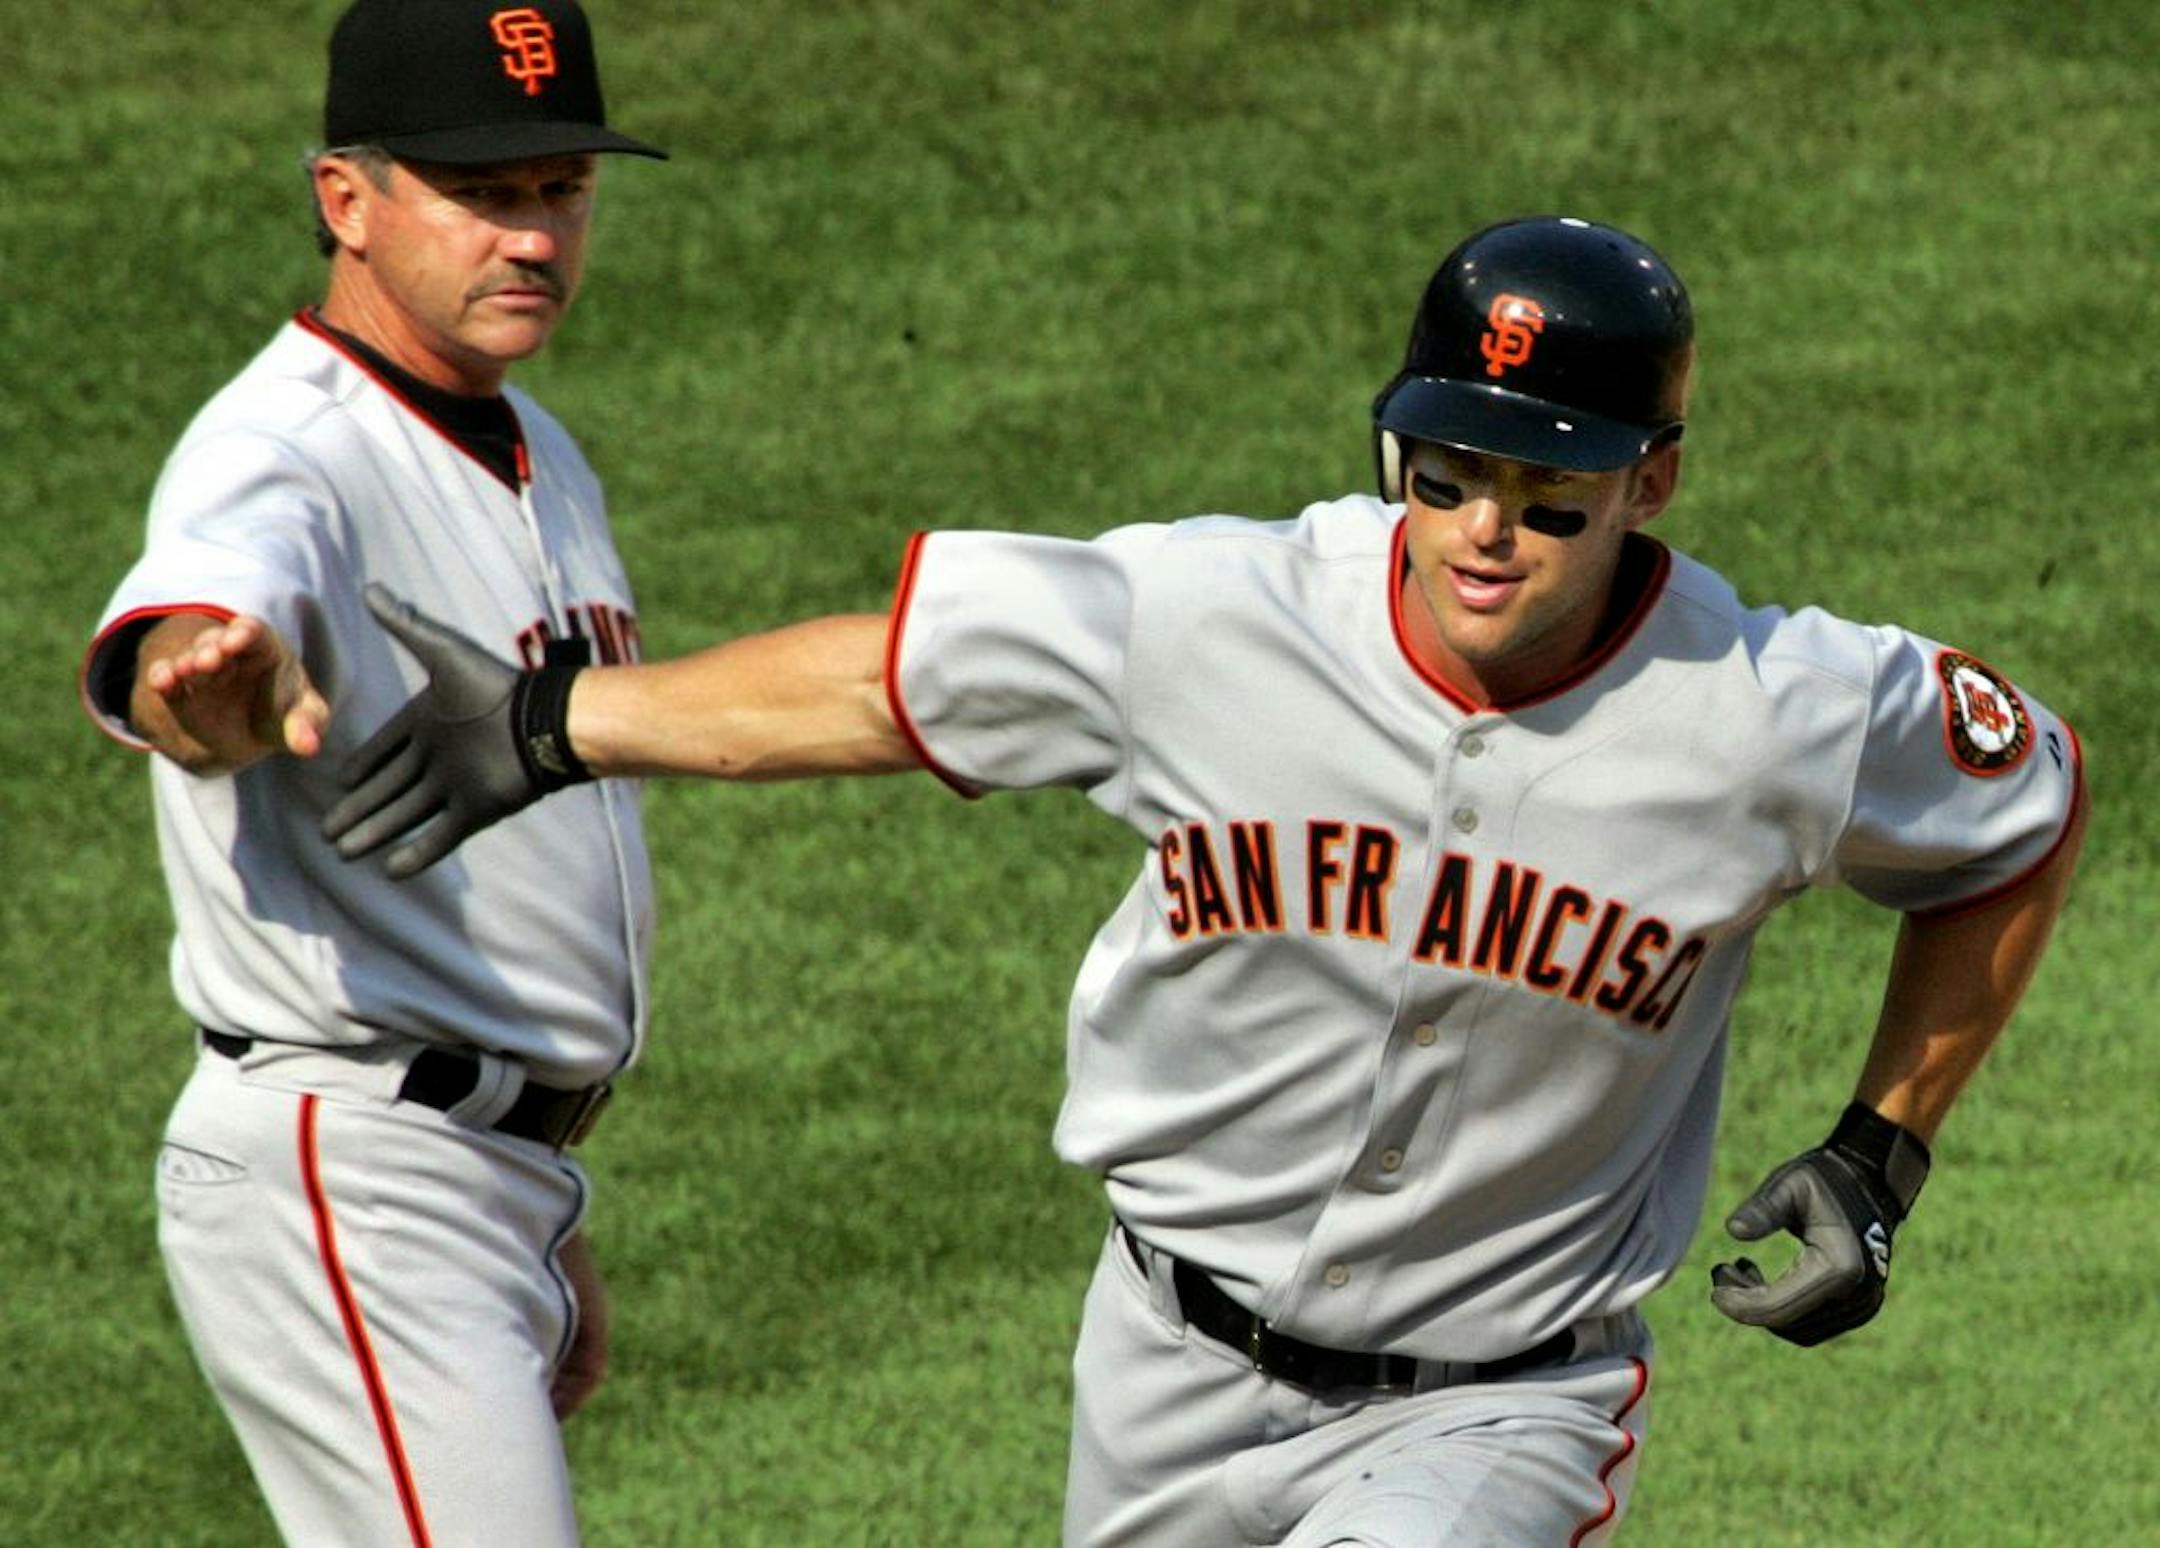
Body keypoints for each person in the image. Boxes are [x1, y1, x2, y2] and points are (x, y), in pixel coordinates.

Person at [325, 216, 2087, 1545]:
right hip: (1162, 1360)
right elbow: (893, 680)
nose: (1484, 532)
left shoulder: (1777, 712)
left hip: (1496, 1414)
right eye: (1449, 472)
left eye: (1547, 498)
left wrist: (1884, 1149)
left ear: (1655, 481)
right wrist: (562, 721)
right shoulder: (1217, 616)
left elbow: (2023, 817)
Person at [77, 2, 666, 1542]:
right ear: (349, 200)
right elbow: (200, 613)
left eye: (561, 192)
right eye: (486, 195)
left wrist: (545, 1195)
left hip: (468, 1176)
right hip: (358, 1165)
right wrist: (205, 678)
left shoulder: (534, 440)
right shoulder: (283, 444)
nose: (533, 238)